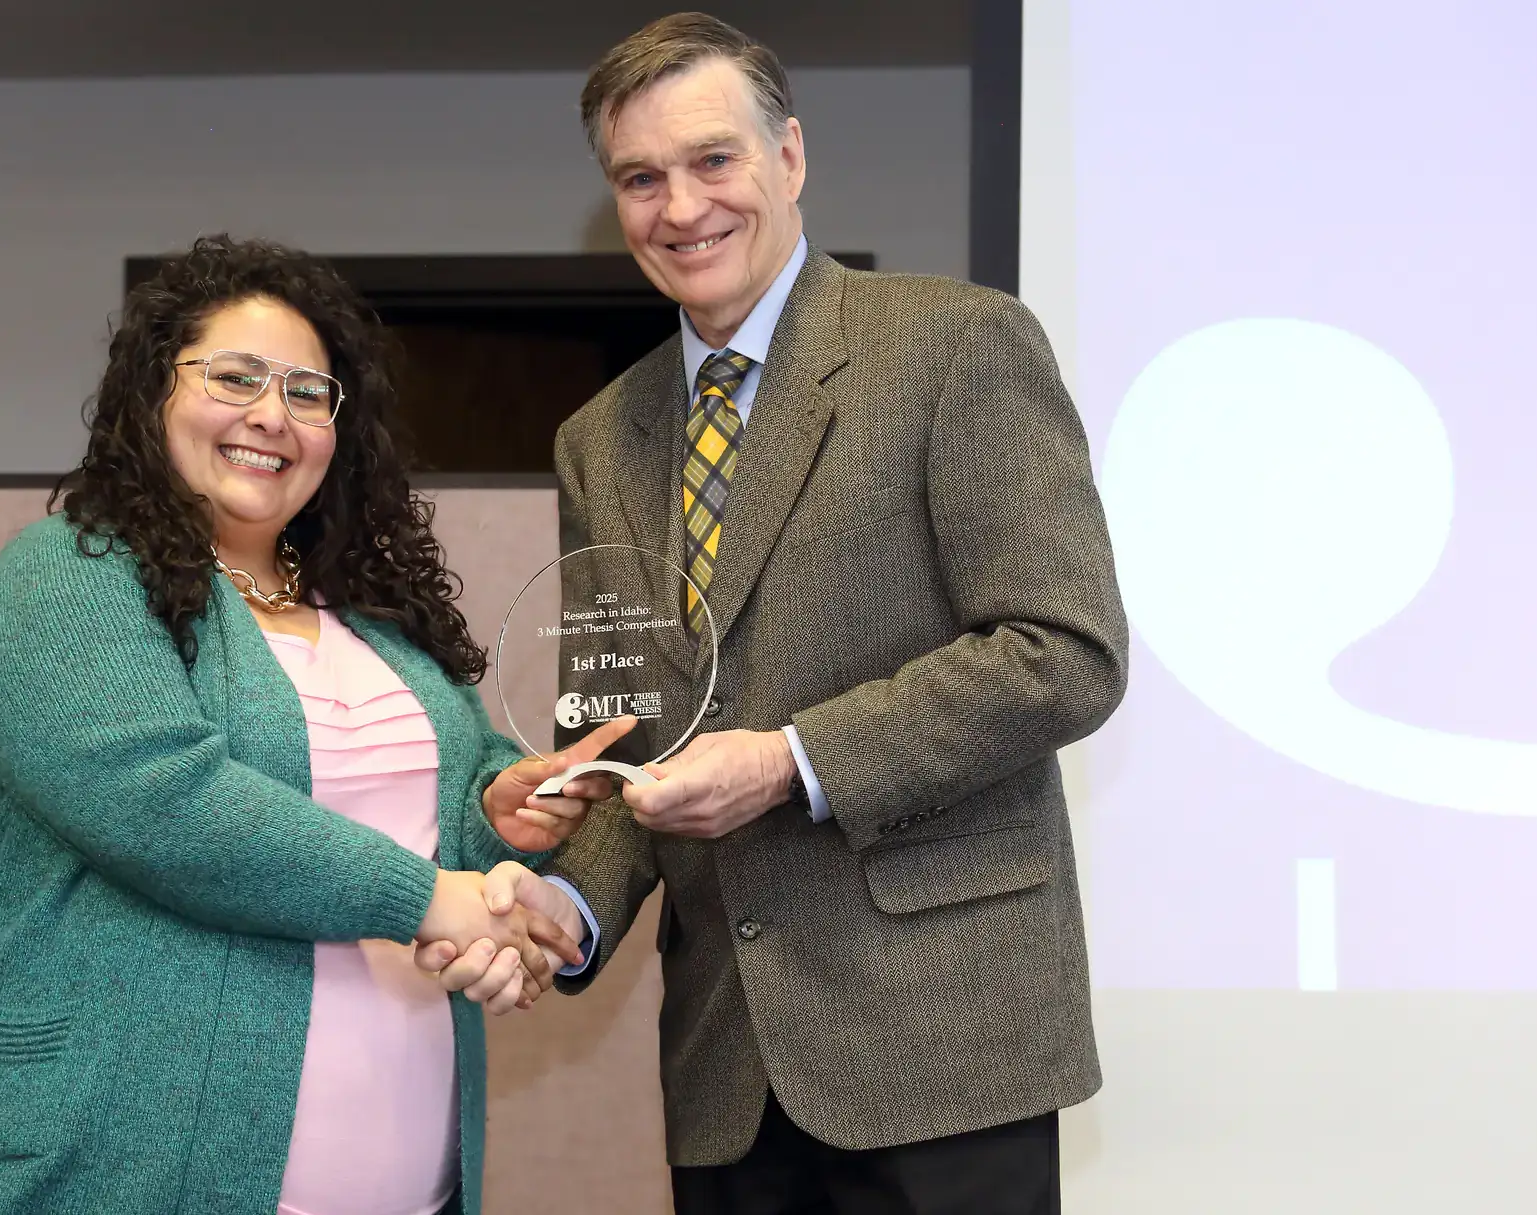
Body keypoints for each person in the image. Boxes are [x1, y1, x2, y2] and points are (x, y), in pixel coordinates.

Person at [419, 14, 1129, 1214]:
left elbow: (1064, 652)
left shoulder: (956, 346)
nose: (681, 207)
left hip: (945, 1051)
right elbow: (627, 748)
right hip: (725, 1068)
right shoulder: (599, 439)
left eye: (713, 160)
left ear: (789, 156)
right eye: (641, 179)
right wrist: (564, 905)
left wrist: (790, 760)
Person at [0, 235, 623, 1215]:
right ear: (153, 392)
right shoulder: (68, 576)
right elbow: (170, 809)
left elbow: (430, 808)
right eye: (234, 376)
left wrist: (493, 816)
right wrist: (436, 899)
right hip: (87, 1173)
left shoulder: (375, 613)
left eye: (307, 392)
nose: (271, 414)